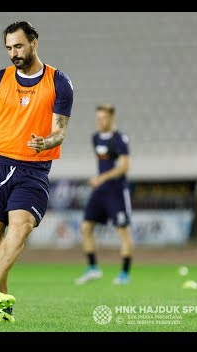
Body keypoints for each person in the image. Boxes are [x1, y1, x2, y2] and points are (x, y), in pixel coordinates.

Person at [0, 21, 74, 324]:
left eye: (19, 46)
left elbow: (59, 132)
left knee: (21, 226)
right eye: (9, 48)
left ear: (35, 42)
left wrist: (45, 142)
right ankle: (2, 309)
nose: (14, 53)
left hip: (33, 168)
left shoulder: (59, 82)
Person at [75, 103, 133, 285]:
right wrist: (100, 181)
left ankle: (124, 273)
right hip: (100, 191)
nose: (99, 121)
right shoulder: (95, 138)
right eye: (97, 118)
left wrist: (102, 178)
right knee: (85, 227)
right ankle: (93, 268)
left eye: (103, 118)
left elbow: (124, 166)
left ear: (111, 118)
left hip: (116, 190)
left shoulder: (119, 139)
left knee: (122, 231)